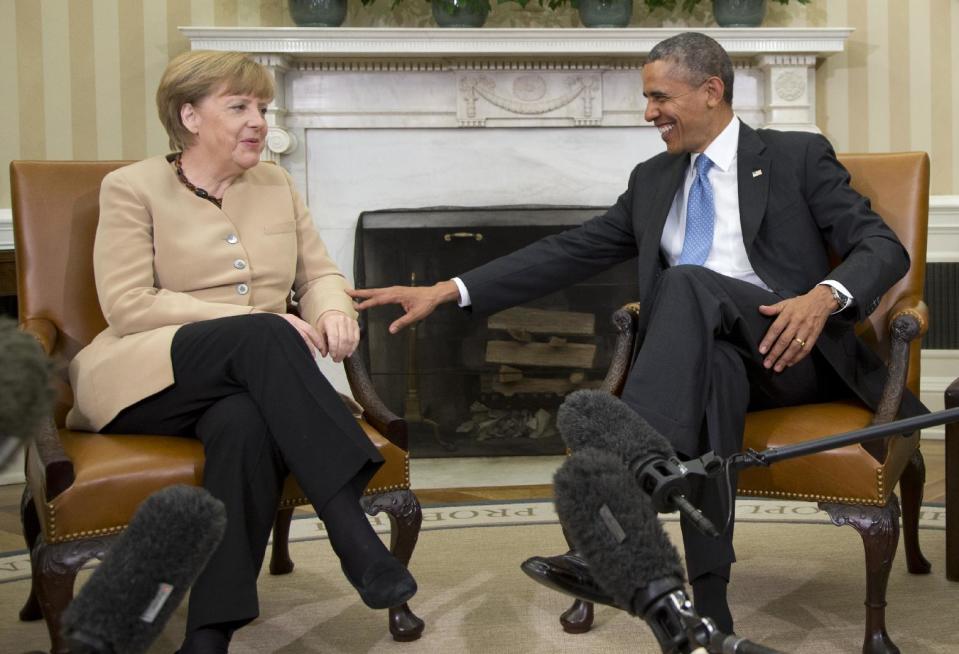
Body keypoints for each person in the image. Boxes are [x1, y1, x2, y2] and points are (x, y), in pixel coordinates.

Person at [349, 32, 925, 634]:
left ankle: (616, 513)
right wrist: (449, 289)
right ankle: (709, 611)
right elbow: (569, 250)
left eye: (659, 97)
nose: (648, 113)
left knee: (684, 283)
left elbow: (883, 247)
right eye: (646, 99)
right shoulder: (653, 180)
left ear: (711, 91)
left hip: (794, 354)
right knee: (714, 381)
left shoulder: (796, 156)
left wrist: (821, 297)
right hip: (709, 363)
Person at [66, 50, 416, 654]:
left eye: (263, 107)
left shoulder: (275, 183)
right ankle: (351, 531)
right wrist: (256, 319)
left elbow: (319, 274)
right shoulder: (130, 188)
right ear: (190, 116)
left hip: (245, 382)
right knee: (267, 332)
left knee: (244, 423)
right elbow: (128, 304)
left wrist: (332, 308)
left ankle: (208, 633)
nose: (259, 120)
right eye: (239, 107)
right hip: (144, 378)